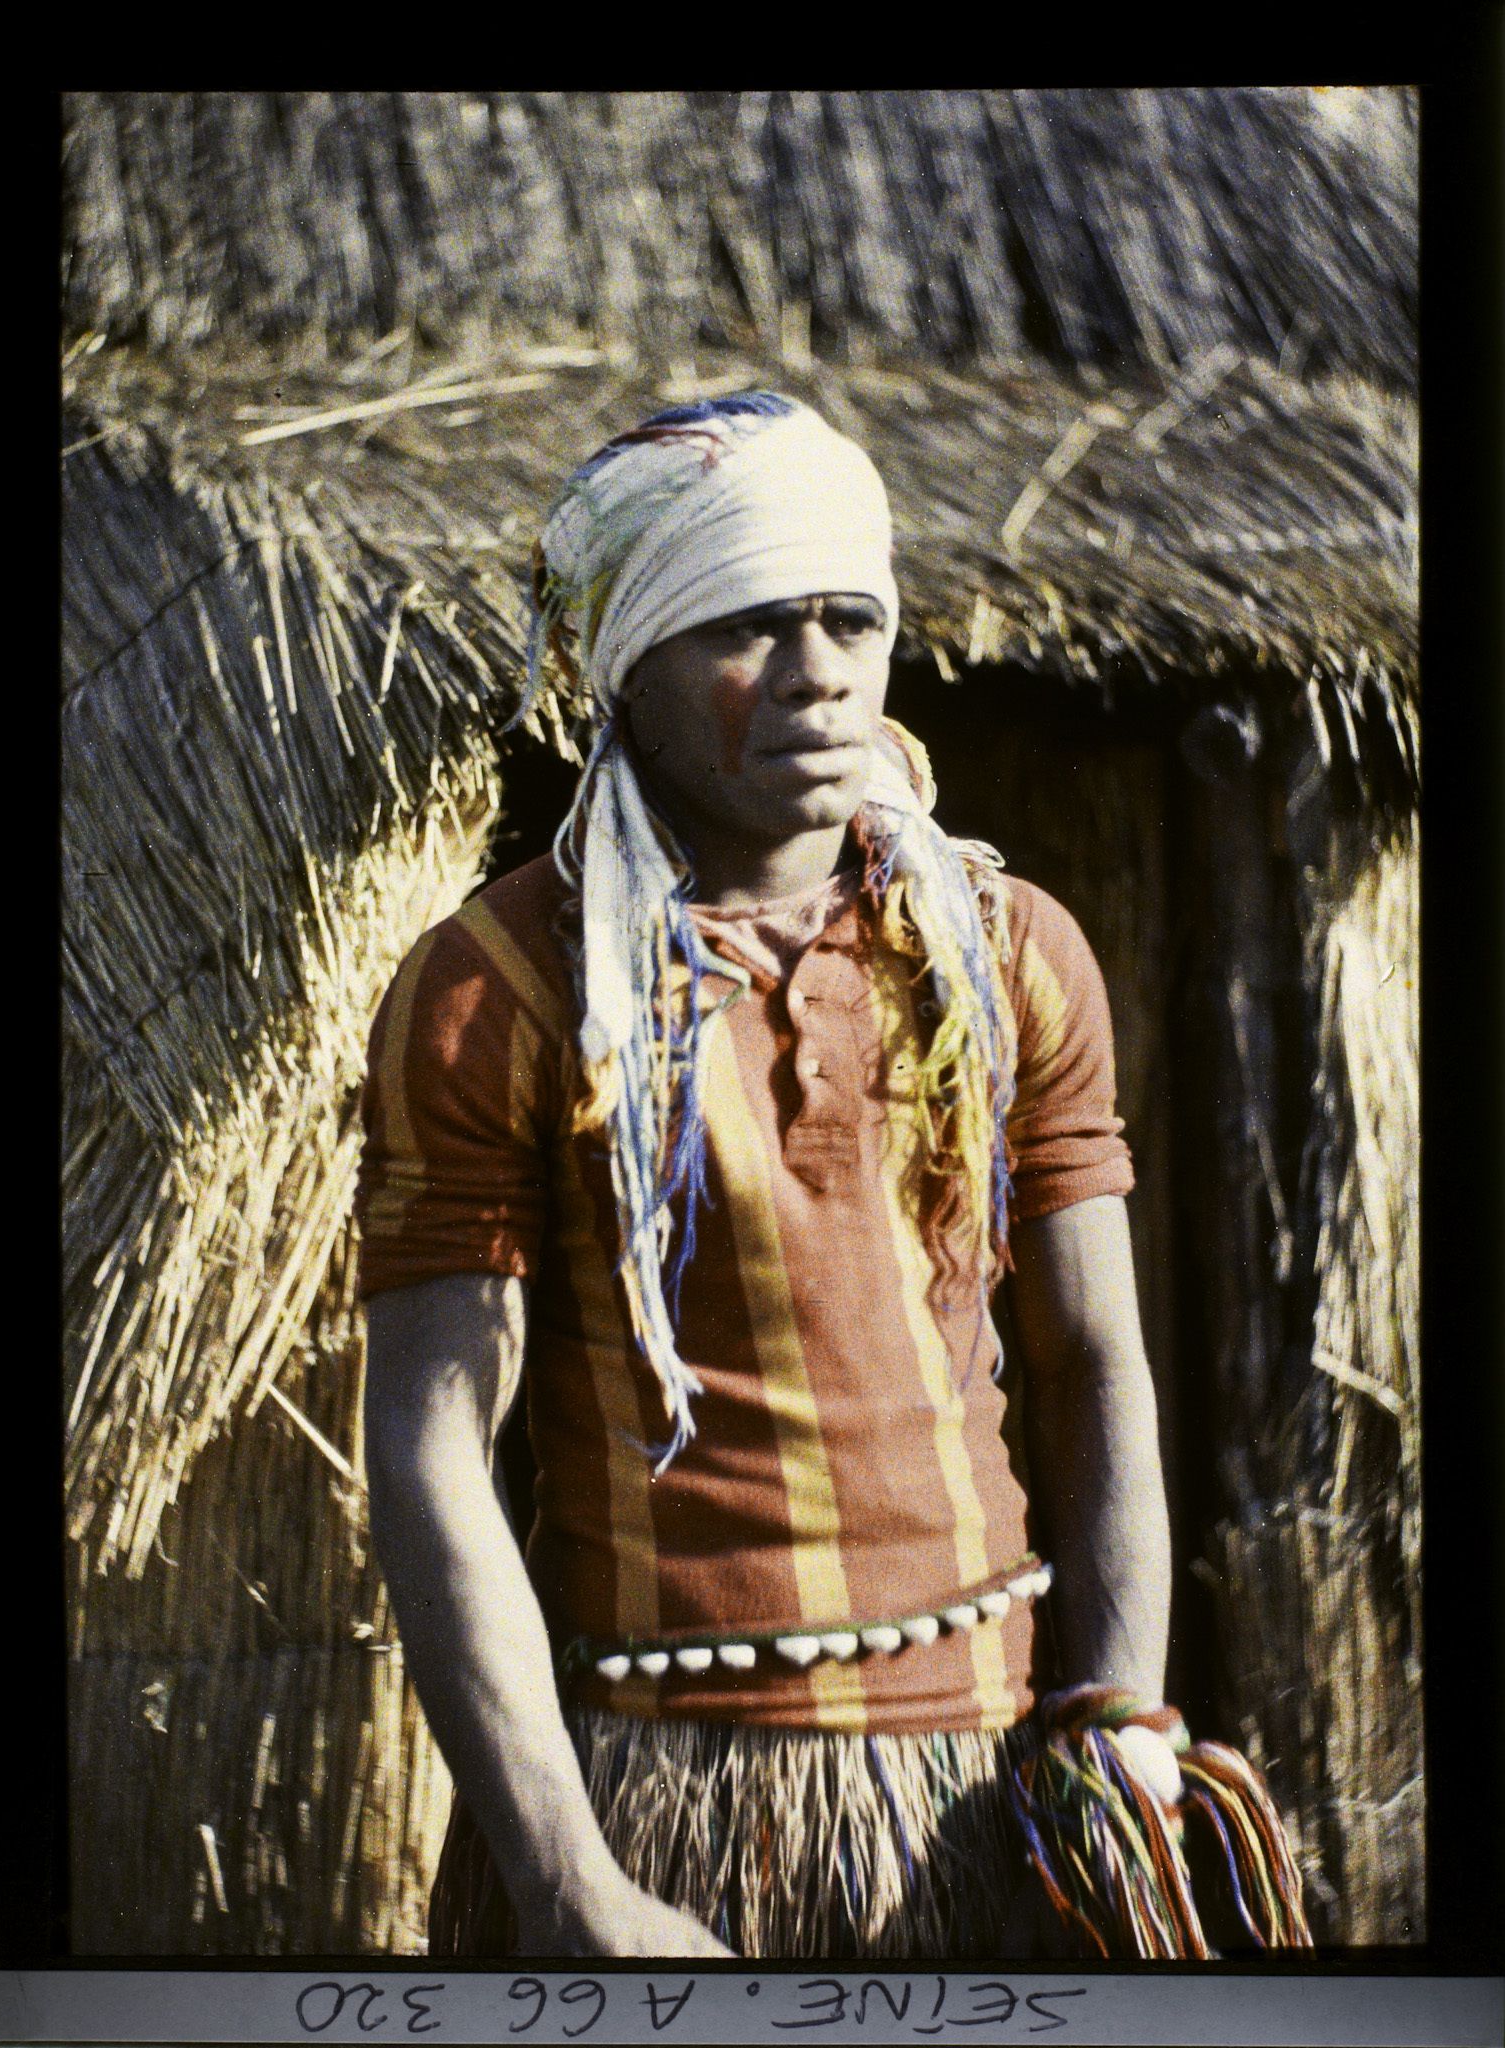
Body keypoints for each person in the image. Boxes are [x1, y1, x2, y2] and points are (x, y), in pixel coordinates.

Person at [355, 392, 1176, 1960]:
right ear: (631, 677)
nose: (817, 675)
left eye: (849, 618)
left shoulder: (1007, 954)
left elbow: (1095, 1361)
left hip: (989, 1781)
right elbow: (433, 1445)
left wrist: (1117, 1710)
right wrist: (567, 1883)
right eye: (745, 626)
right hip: (659, 1796)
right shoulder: (499, 991)